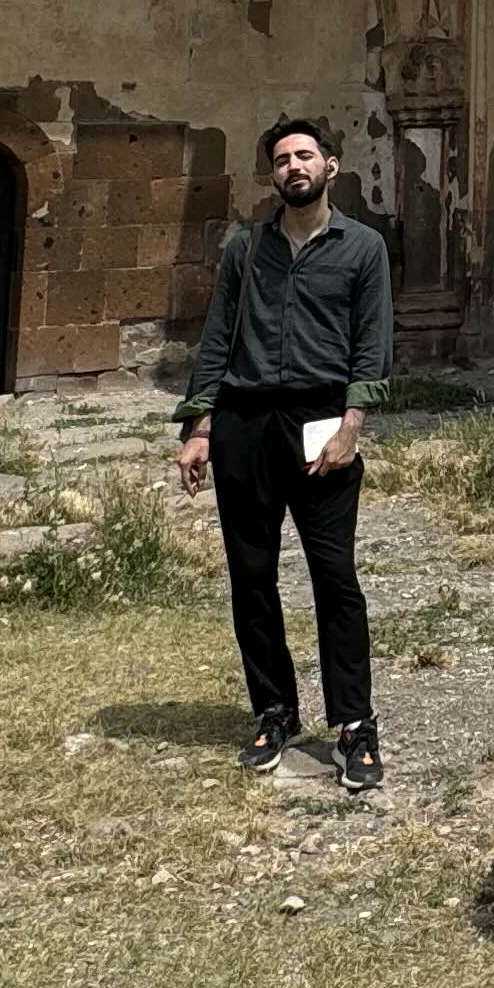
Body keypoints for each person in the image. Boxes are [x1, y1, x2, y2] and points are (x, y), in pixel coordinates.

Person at [170, 116, 391, 791]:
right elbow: (216, 339)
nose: (294, 167)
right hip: (245, 421)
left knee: (334, 578)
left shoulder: (363, 248)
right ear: (272, 174)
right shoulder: (245, 248)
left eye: (305, 155)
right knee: (252, 577)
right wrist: (200, 426)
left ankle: (355, 725)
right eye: (282, 159)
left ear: (331, 164)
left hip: (320, 418)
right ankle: (274, 711)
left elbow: (372, 341)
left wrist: (352, 423)